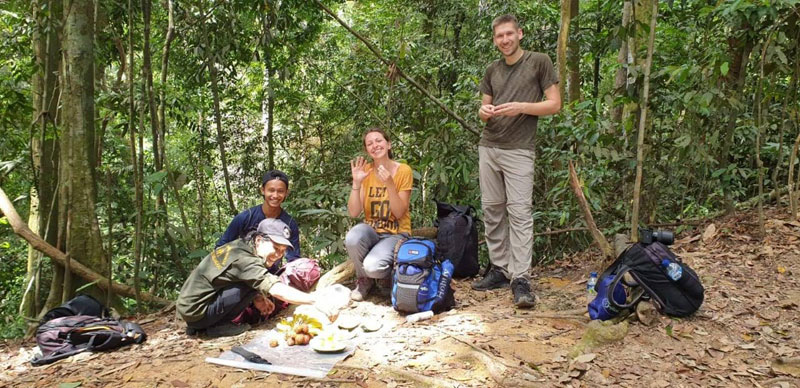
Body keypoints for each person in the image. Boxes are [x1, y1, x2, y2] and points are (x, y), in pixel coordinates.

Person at [471, 14, 562, 308]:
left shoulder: (539, 61)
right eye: (500, 36)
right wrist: (484, 113)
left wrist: (522, 107)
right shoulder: (492, 70)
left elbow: (555, 104)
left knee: (520, 213)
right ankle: (499, 268)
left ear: (520, 34)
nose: (505, 40)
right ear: (495, 39)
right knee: (493, 210)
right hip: (490, 146)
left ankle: (520, 277)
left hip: (520, 149)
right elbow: (483, 107)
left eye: (509, 34)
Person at [177, 218, 331, 337]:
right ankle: (217, 326)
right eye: (276, 248)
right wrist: (315, 300)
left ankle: (201, 325)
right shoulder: (245, 260)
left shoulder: (240, 246)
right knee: (253, 283)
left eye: (283, 250)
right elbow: (276, 289)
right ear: (258, 240)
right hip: (198, 312)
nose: (278, 255)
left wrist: (258, 297)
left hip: (191, 309)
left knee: (253, 284)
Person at [345, 128, 413, 301]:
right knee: (353, 237)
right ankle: (365, 280)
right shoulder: (366, 171)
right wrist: (356, 183)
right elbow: (354, 212)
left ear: (388, 144)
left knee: (373, 266)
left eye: (379, 141)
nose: (375, 145)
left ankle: (384, 277)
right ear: (367, 150)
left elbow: (399, 213)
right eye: (370, 143)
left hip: (397, 233)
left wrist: (390, 183)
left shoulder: (403, 170)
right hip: (373, 232)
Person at [216, 170, 301, 273]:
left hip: (270, 273)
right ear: (263, 190)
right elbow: (221, 247)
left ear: (286, 193)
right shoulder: (246, 217)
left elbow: (293, 258)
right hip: (243, 271)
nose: (275, 195)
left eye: (280, 191)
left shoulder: (290, 223)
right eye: (271, 190)